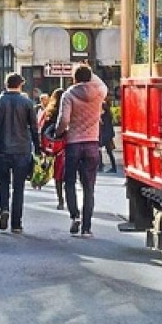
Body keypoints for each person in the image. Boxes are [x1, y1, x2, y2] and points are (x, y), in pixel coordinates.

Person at [56, 65, 108, 238]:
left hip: (73, 143)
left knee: (69, 181)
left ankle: (74, 215)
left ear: (74, 77)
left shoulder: (68, 94)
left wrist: (58, 132)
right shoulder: (100, 93)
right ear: (91, 76)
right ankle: (87, 227)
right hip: (92, 143)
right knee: (89, 187)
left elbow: (64, 120)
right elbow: (102, 84)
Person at [0, 73, 38, 234]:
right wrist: (38, 147)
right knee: (19, 187)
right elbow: (34, 128)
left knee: (3, 184)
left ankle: (4, 209)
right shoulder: (27, 103)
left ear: (6, 84)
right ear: (20, 85)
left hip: (2, 149)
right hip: (22, 150)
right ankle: (16, 223)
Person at [37, 89, 67, 209]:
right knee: (69, 175)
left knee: (58, 176)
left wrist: (43, 148)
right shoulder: (69, 110)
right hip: (68, 145)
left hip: (54, 148)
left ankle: (60, 200)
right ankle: (71, 196)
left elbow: (42, 129)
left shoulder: (49, 112)